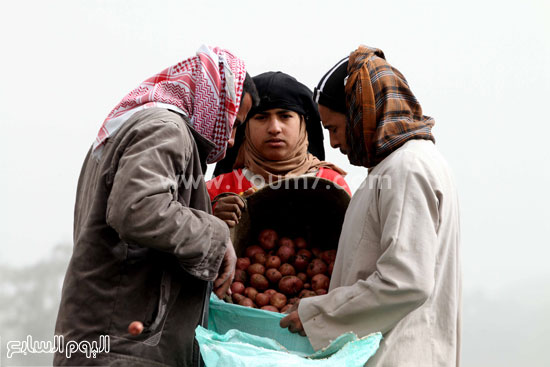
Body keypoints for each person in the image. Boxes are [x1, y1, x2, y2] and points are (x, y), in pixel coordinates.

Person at [54, 45, 258, 367]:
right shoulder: (166, 129)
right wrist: (217, 236)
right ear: (214, 101)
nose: (231, 140)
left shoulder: (129, 129)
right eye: (233, 123)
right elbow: (137, 208)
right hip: (126, 347)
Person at [280, 46, 461, 367]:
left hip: (398, 354)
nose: (333, 143)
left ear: (359, 115)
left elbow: (406, 281)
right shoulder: (395, 168)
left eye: (334, 128)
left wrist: (318, 315)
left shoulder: (406, 168)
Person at [206, 71, 351, 228]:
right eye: (261, 117)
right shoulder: (216, 191)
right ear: (245, 127)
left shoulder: (331, 186)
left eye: (285, 116)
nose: (274, 128)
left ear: (303, 125)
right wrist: (210, 221)